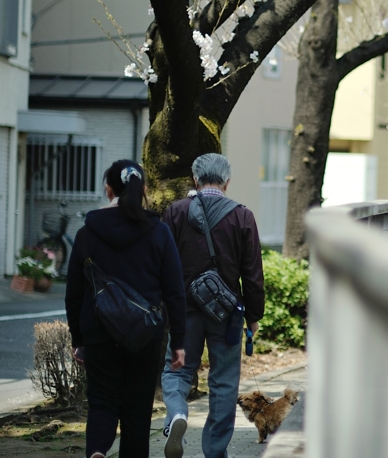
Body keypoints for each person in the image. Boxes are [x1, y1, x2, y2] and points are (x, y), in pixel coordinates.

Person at [65, 160, 188, 458]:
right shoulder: (158, 233)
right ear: (143, 190)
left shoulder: (86, 234)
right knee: (137, 410)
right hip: (145, 336)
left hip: (99, 333)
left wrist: (78, 340)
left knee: (102, 402)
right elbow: (174, 291)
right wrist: (179, 343)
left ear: (108, 189)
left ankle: (97, 450)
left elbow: (74, 293)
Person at [160, 153, 265, 458]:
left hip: (184, 312)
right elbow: (252, 272)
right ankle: (215, 451)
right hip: (227, 314)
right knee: (223, 381)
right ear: (227, 181)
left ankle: (178, 413)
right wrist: (254, 315)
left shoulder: (175, 212)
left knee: (177, 371)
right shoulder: (242, 215)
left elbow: (162, 265)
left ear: (195, 179)